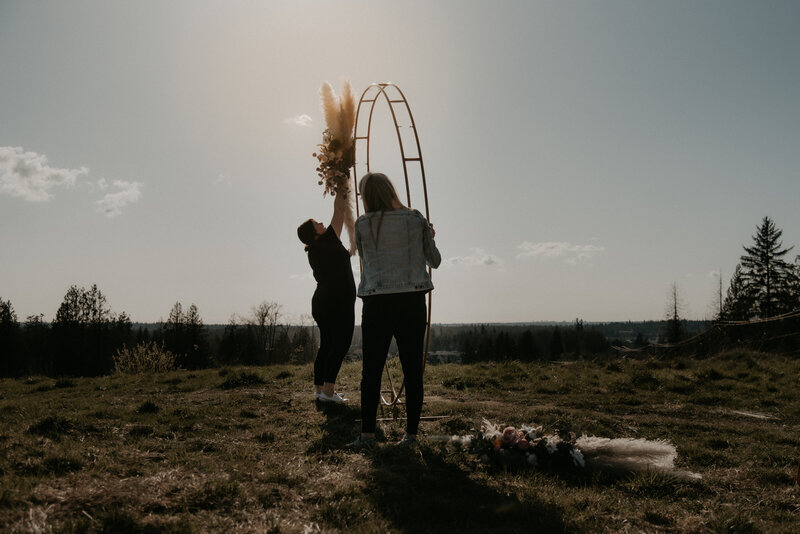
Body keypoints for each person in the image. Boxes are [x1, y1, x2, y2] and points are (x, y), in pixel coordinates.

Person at [351, 172, 441, 446]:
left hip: (377, 301)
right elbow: (434, 261)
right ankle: (411, 435)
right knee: (413, 369)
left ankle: (367, 434)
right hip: (412, 300)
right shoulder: (415, 219)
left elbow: (367, 263)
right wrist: (430, 236)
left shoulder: (362, 224)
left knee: (372, 370)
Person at [297, 193, 356, 404]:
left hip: (323, 301)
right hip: (337, 301)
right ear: (314, 235)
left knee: (327, 344)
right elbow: (338, 211)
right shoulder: (327, 241)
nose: (322, 223)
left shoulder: (315, 250)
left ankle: (320, 390)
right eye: (317, 224)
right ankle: (329, 392)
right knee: (340, 343)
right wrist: (340, 184)